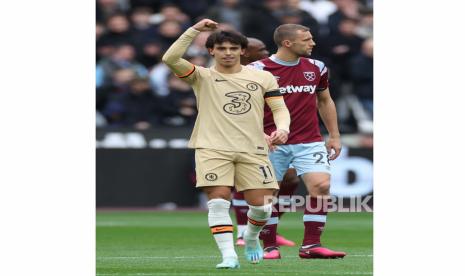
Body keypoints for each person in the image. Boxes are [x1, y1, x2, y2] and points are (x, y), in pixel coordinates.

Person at [162, 19, 291, 269]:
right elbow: (170, 58)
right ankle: (228, 255)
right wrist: (194, 30)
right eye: (221, 48)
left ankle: (251, 238)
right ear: (211, 51)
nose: (228, 53)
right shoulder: (202, 76)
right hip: (212, 147)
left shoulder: (263, 78)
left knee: (263, 208)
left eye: (233, 48)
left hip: (253, 148)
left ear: (243, 51)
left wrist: (282, 128)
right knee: (219, 200)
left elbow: (279, 108)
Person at [249, 23, 347, 259]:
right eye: (307, 39)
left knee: (321, 186)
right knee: (266, 195)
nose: (312, 43)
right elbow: (246, 107)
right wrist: (257, 134)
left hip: (309, 139)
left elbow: (325, 100)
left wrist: (334, 135)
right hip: (271, 141)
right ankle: (269, 246)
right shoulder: (258, 69)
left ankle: (311, 245)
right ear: (287, 43)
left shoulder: (317, 67)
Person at [233, 37, 299, 247]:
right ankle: (244, 231)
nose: (266, 52)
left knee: (290, 179)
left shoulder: (267, 73)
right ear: (246, 53)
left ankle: (270, 228)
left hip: (274, 130)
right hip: (244, 132)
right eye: (260, 49)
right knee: (246, 180)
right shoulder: (233, 75)